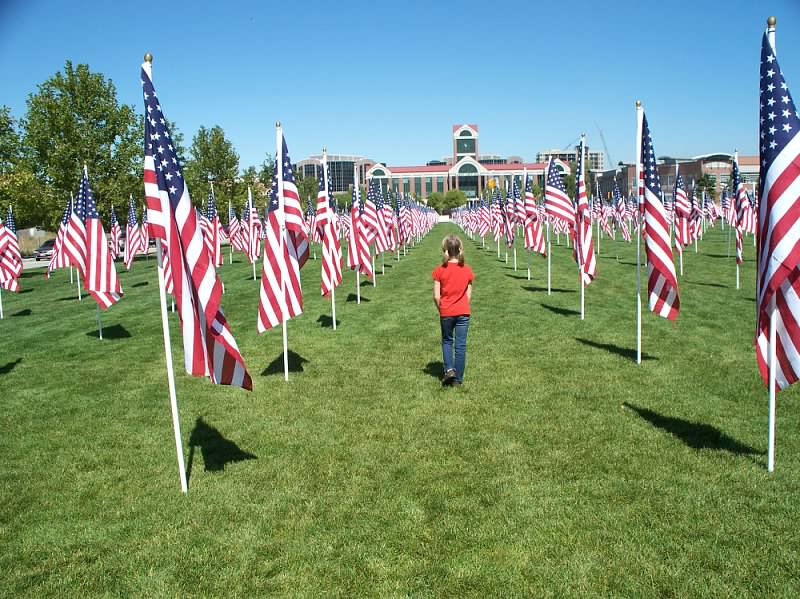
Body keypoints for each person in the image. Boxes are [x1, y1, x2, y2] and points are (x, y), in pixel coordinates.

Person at [432, 234, 474, 386]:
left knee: (447, 341)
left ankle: (449, 369)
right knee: (461, 345)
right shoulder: (467, 270)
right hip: (463, 311)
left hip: (446, 312)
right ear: (460, 249)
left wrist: (442, 308)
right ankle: (458, 379)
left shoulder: (439, 270)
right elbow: (469, 294)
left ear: (445, 251)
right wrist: (461, 305)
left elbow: (436, 296)